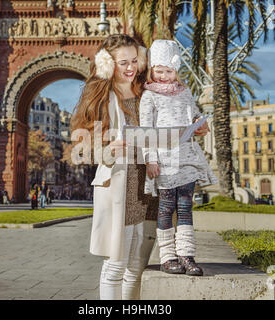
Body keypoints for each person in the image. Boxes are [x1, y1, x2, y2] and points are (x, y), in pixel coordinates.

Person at [71, 34, 160, 300]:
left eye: (134, 60)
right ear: (108, 64)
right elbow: (80, 150)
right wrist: (107, 151)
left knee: (137, 267)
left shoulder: (148, 93)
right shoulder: (100, 98)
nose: (130, 68)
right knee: (115, 265)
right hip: (119, 188)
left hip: (148, 186)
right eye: (123, 62)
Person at [139, 39, 217, 276]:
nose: (164, 76)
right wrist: (150, 159)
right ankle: (167, 256)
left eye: (169, 71)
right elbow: (146, 131)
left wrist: (200, 125)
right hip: (164, 160)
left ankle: (186, 255)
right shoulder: (148, 97)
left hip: (186, 157)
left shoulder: (185, 93)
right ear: (153, 70)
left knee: (185, 207)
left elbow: (195, 116)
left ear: (176, 70)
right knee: (165, 207)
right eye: (159, 71)